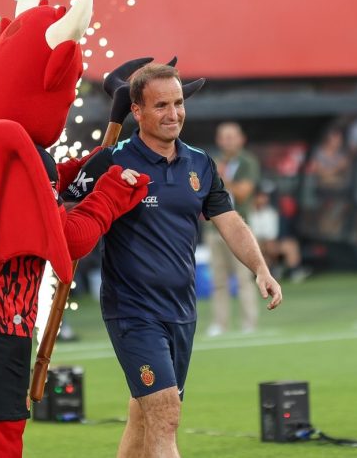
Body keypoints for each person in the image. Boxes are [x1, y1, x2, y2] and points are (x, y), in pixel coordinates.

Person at [0, 0, 148, 457]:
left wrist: (83, 170)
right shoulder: (22, 151)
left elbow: (14, 197)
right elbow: (70, 239)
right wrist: (111, 195)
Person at [65, 63, 282, 458]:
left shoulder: (200, 163)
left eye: (178, 103)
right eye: (161, 105)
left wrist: (260, 267)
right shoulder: (110, 161)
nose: (174, 114)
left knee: (144, 416)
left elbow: (230, 221)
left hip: (182, 310)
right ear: (137, 111)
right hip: (133, 312)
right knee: (165, 414)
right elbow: (64, 210)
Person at [205, 122, 261, 336]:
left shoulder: (248, 162)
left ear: (241, 139)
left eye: (232, 136)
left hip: (240, 228)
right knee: (218, 280)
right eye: (224, 137)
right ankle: (220, 323)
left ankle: (249, 323)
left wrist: (222, 176)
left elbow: (243, 193)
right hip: (214, 229)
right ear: (218, 140)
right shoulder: (211, 162)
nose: (227, 141)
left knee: (244, 278)